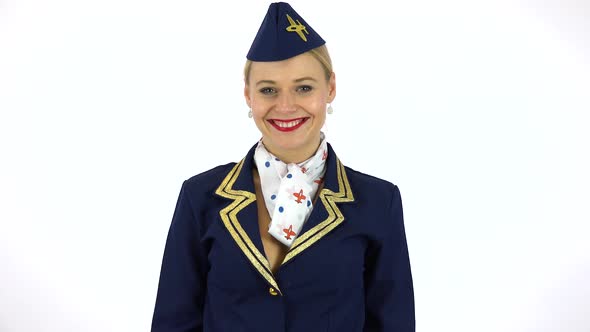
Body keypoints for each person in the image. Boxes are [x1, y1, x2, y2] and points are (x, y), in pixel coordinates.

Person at [151, 2, 415, 331]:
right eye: (268, 90)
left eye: (304, 87)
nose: (286, 106)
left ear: (330, 88)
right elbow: (173, 322)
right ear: (248, 95)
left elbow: (393, 322)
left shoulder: (378, 202)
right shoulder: (200, 197)